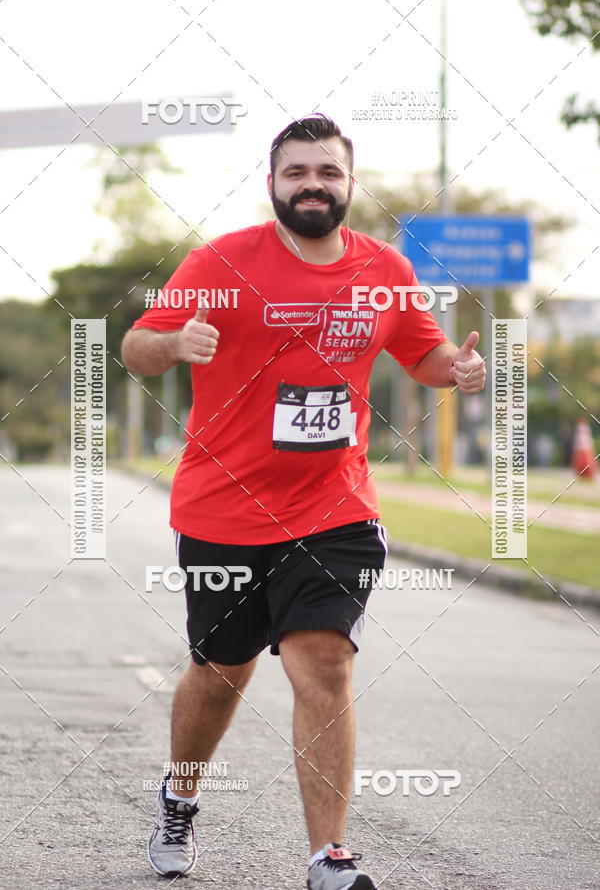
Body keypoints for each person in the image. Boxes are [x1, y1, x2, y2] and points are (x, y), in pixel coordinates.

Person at [121, 113, 486, 889]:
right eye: (297, 173)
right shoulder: (221, 262)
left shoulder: (384, 268)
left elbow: (418, 350)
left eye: (327, 172)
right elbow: (135, 347)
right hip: (224, 509)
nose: (313, 184)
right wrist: (175, 344)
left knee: (322, 661)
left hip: (334, 505)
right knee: (221, 673)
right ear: (273, 184)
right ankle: (180, 796)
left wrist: (452, 369)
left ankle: (328, 857)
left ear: (349, 184)